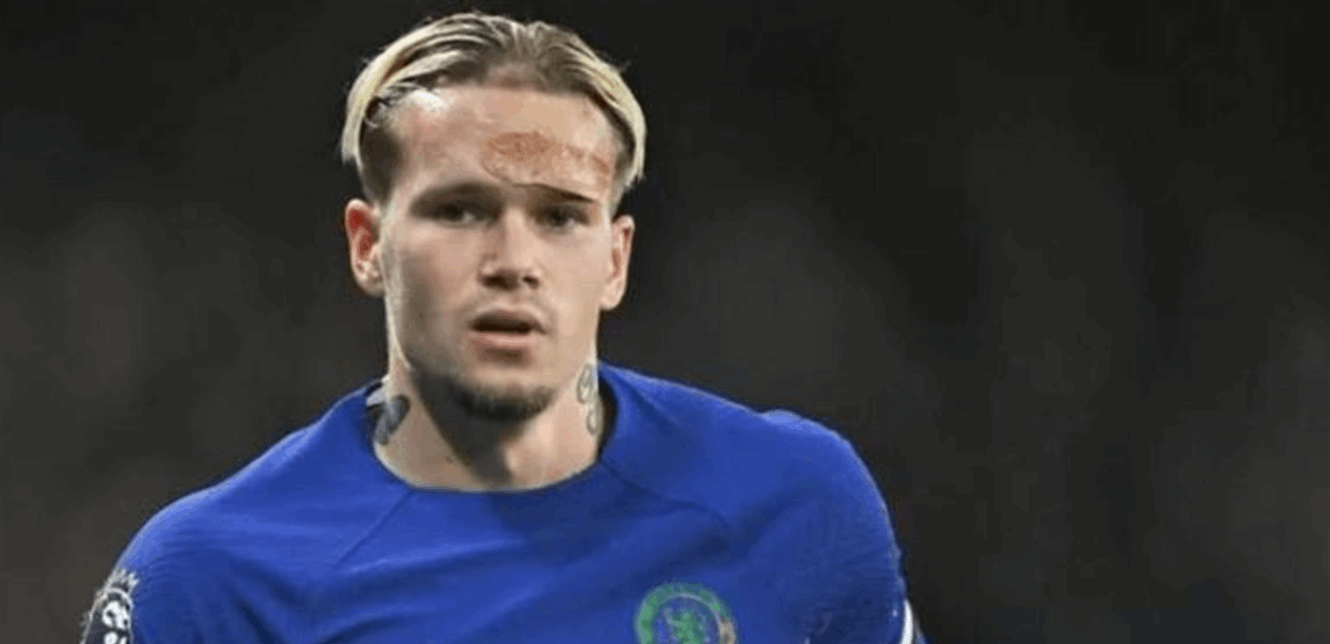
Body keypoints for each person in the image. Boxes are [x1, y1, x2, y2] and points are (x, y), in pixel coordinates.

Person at [80, 11, 925, 644]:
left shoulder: (796, 502)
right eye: (459, 210)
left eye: (560, 217)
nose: (513, 260)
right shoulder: (213, 581)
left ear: (616, 259)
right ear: (368, 246)